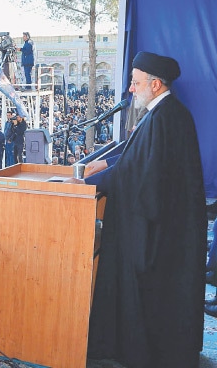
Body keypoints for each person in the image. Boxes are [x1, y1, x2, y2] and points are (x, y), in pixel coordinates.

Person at [74, 52, 206, 367]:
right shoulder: (164, 114)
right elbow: (137, 157)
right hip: (171, 224)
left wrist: (89, 185)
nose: (131, 89)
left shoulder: (164, 118)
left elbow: (136, 171)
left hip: (160, 231)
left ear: (156, 84)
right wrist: (105, 163)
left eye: (135, 83)